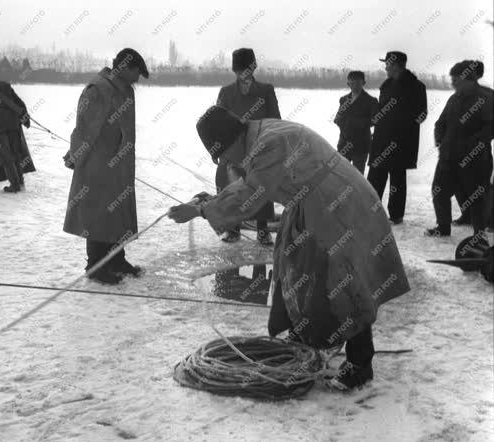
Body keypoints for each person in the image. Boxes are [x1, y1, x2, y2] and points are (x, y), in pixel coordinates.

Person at [168, 106, 410, 391]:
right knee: (294, 261)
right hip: (315, 203)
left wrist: (201, 210)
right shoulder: (260, 134)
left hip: (337, 207)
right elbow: (251, 183)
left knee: (341, 279)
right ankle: (304, 335)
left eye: (221, 154)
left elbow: (250, 195)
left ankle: (359, 364)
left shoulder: (268, 144)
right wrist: (210, 202)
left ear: (231, 139)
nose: (225, 161)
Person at [63, 48, 149, 285]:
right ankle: (95, 266)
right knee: (99, 215)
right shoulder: (98, 90)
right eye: (136, 73)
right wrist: (74, 155)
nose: (138, 79)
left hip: (119, 167)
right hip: (97, 166)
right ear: (125, 68)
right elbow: (84, 129)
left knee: (117, 214)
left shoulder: (125, 91)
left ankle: (116, 260)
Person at [215, 48, 281, 245]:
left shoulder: (266, 90)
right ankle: (233, 229)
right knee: (232, 188)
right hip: (233, 151)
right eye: (240, 69)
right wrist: (218, 149)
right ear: (234, 70)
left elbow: (275, 120)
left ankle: (263, 230)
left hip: (259, 148)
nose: (244, 73)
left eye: (247, 68)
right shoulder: (226, 93)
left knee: (260, 188)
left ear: (253, 68)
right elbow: (217, 122)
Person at [426, 60, 494, 238]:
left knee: (477, 196)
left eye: (456, 80)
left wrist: (472, 144)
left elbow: (491, 127)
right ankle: (443, 227)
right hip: (448, 157)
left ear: (468, 79)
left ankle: (479, 233)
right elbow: (440, 123)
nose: (452, 83)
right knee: (439, 191)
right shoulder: (454, 99)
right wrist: (441, 140)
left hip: (476, 159)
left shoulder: (486, 98)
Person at [367, 51, 427, 224]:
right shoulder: (386, 85)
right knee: (375, 178)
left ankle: (396, 216)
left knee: (397, 180)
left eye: (387, 64)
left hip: (400, 142)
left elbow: (421, 114)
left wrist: (401, 127)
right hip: (381, 138)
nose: (385, 67)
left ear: (396, 65)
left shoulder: (416, 86)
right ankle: (370, 212)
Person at [333, 71, 379, 174]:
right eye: (352, 83)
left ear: (364, 83)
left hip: (361, 145)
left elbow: (375, 120)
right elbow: (337, 118)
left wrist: (355, 122)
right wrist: (344, 124)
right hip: (343, 144)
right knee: (341, 175)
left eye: (358, 83)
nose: (355, 85)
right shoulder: (344, 99)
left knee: (357, 177)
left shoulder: (371, 101)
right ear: (348, 84)